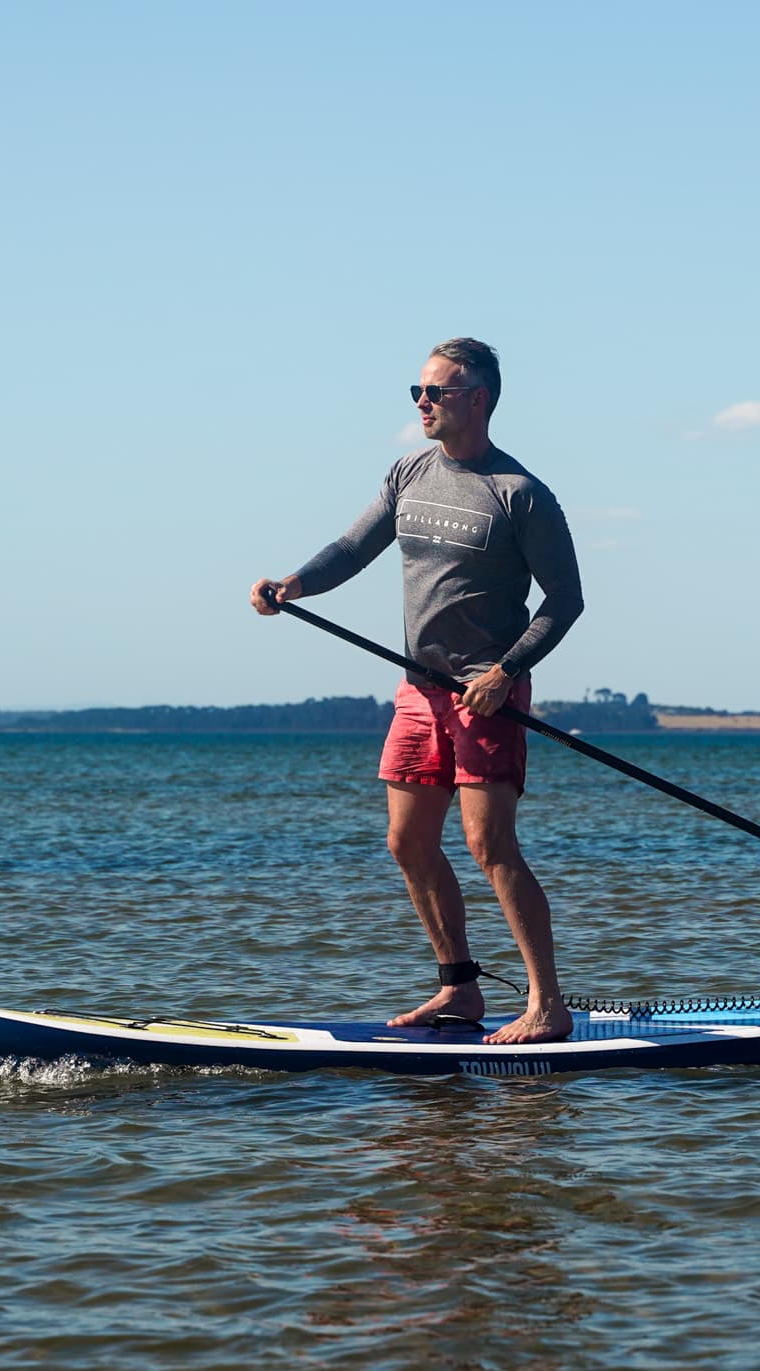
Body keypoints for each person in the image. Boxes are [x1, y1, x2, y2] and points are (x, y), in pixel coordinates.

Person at [250, 338, 584, 1044]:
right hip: (417, 692)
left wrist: (506, 672)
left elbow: (565, 600)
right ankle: (459, 989)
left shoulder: (519, 494)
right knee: (407, 840)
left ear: (478, 399)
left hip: (484, 694)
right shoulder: (408, 472)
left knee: (490, 845)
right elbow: (351, 547)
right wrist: (294, 584)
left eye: (436, 392)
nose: (423, 403)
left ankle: (546, 1004)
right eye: (418, 392)